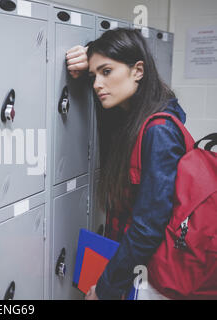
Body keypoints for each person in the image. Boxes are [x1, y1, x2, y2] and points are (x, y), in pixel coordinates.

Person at [66, 28, 186, 300]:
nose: (97, 84)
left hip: (151, 279)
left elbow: (147, 227)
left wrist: (108, 288)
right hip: (136, 270)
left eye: (106, 72)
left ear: (138, 71)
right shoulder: (139, 116)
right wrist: (90, 55)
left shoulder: (159, 131)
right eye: (93, 76)